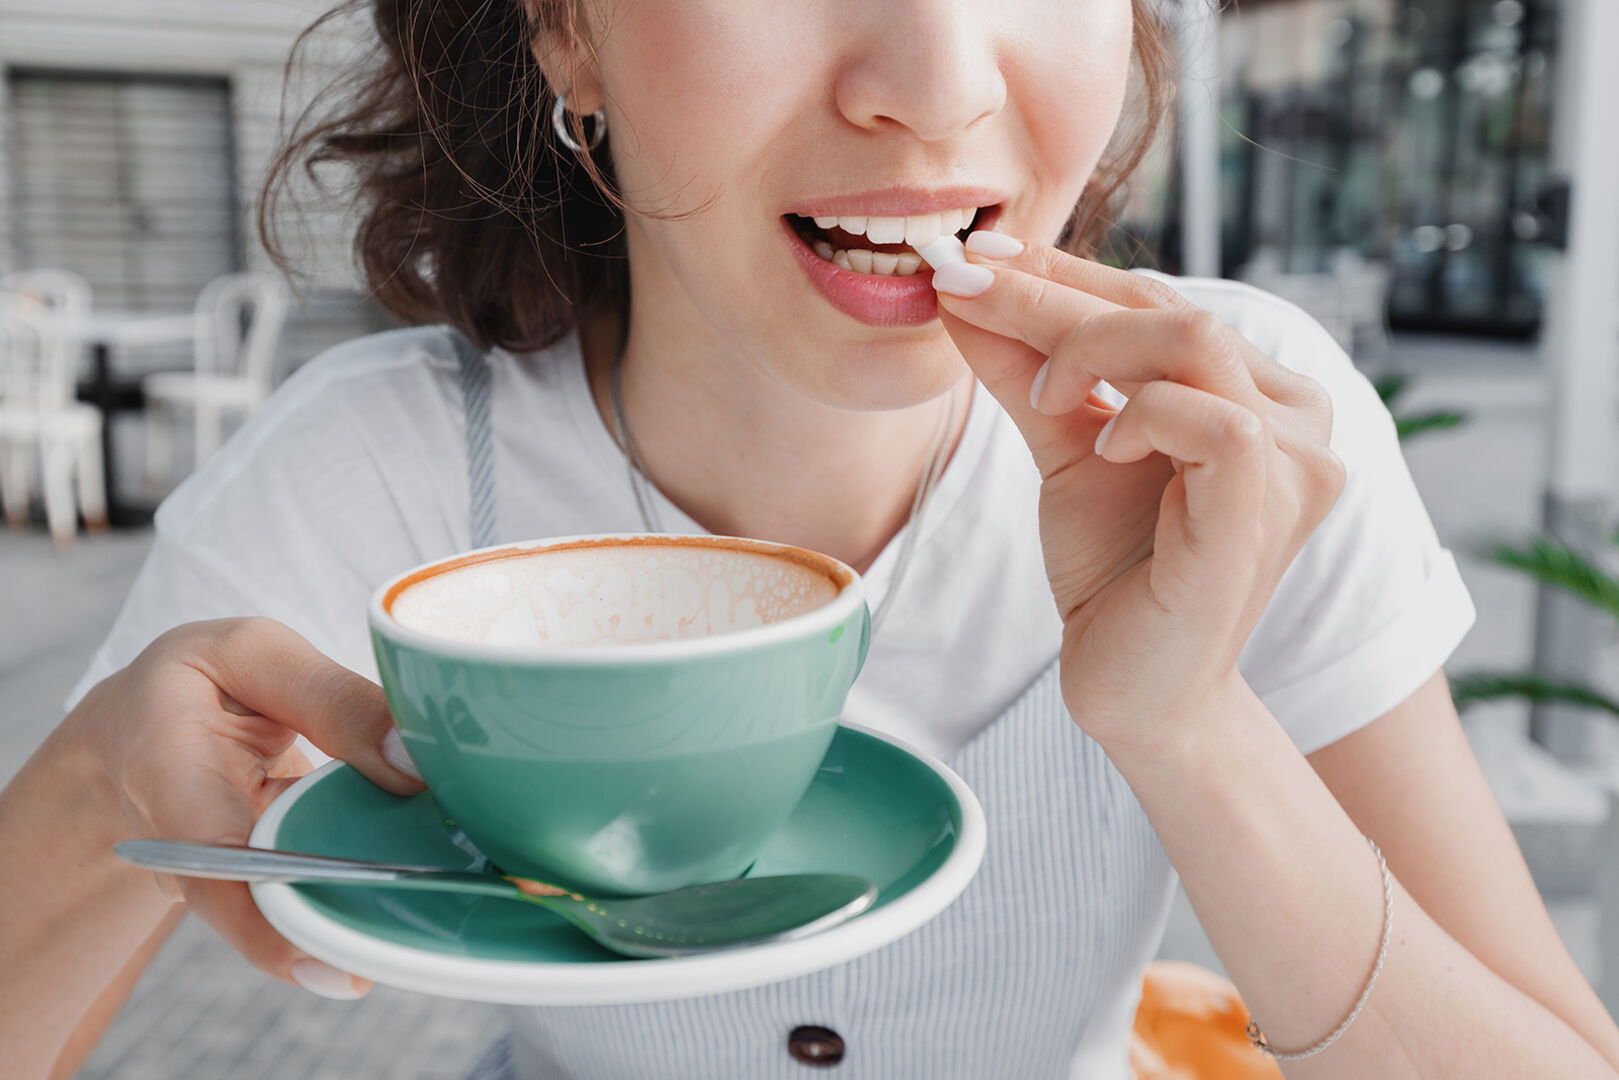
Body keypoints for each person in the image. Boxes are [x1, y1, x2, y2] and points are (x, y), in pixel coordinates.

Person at [4, 0, 1618, 1076]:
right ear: (568, 32)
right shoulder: (383, 468)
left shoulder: (1246, 432)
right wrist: (89, 788)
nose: (935, 84)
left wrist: (1194, 732)